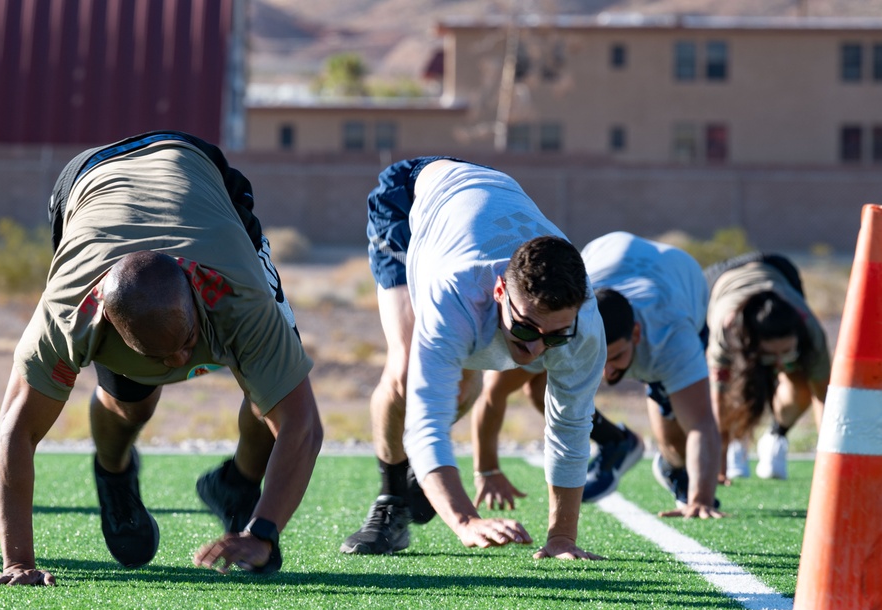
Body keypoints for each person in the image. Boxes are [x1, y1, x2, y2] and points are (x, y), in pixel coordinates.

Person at [0, 131, 322, 586]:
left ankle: (238, 482)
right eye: (161, 356)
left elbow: (303, 423)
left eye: (188, 341)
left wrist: (263, 532)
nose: (181, 361)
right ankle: (114, 473)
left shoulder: (241, 296)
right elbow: (15, 429)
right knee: (133, 400)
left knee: (271, 382)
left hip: (192, 167)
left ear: (197, 298)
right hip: (87, 181)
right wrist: (17, 561)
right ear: (108, 323)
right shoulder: (68, 311)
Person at [340, 156, 607, 560]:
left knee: (464, 385)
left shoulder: (584, 322)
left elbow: (570, 425)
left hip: (486, 192)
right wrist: (466, 520)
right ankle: (391, 499)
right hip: (412, 198)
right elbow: (425, 419)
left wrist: (562, 539)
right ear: (499, 291)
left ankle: (427, 476)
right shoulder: (456, 295)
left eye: (554, 336)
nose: (534, 351)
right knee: (405, 371)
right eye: (525, 329)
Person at [473, 232, 724, 517]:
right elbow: (493, 394)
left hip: (681, 283)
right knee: (539, 387)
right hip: (608, 251)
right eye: (598, 358)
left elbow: (702, 423)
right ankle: (614, 440)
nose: (603, 372)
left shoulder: (672, 339)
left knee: (674, 443)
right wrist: (487, 468)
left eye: (615, 357)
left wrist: (701, 497)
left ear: (637, 335)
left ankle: (674, 469)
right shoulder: (560, 324)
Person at [704, 252, 831, 480]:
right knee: (736, 386)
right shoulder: (726, 328)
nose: (780, 362)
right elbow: (717, 397)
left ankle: (775, 436)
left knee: (801, 386)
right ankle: (736, 442)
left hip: (778, 269)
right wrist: (718, 463)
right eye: (772, 354)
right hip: (718, 280)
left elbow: (824, 398)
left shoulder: (811, 332)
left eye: (786, 352)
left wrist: (830, 466)